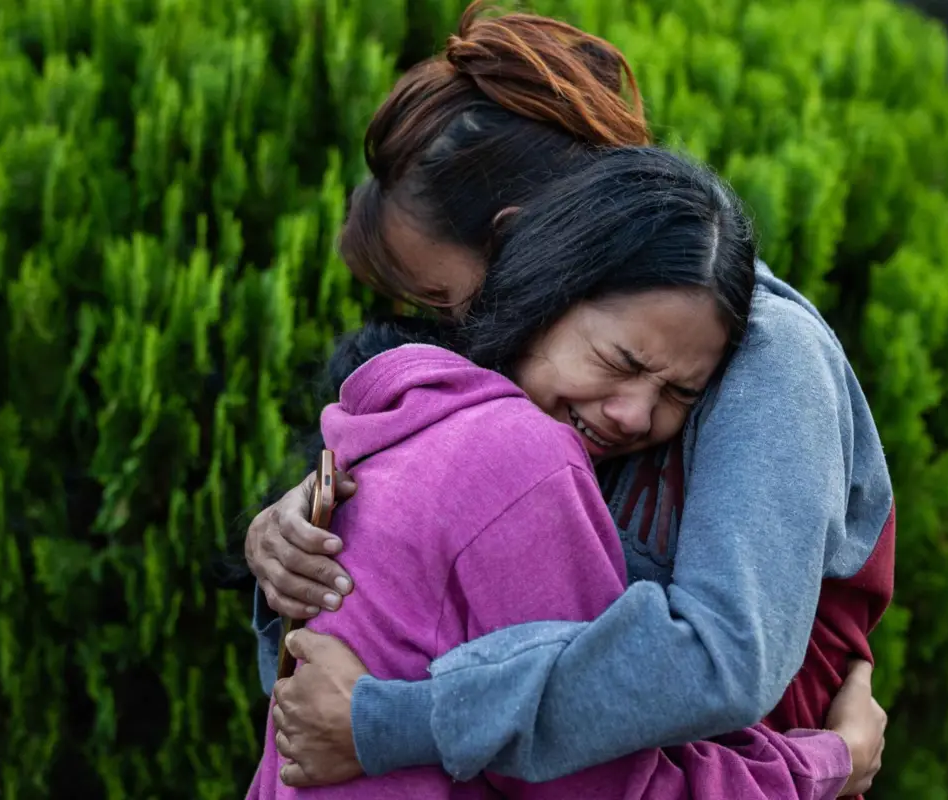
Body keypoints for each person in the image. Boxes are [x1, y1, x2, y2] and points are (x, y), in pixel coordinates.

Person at [247, 2, 895, 793]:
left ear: (531, 247)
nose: (462, 330)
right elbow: (334, 687)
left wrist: (392, 721)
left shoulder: (767, 356)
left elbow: (723, 657)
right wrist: (304, 531)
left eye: (454, 297)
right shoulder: (536, 411)